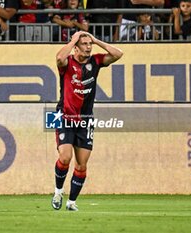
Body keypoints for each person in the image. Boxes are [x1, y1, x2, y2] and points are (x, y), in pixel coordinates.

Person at [51, 31, 123, 211]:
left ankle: (71, 202)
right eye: (84, 44)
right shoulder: (67, 63)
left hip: (86, 119)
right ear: (75, 47)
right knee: (65, 157)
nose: (88, 47)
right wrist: (74, 39)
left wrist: (96, 40)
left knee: (82, 164)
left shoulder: (95, 62)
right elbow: (59, 57)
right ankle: (58, 192)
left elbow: (118, 54)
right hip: (63, 115)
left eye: (89, 44)